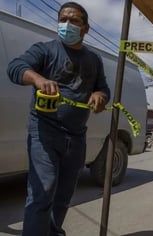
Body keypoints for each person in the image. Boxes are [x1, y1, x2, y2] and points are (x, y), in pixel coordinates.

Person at [6, 2, 110, 235]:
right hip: (44, 131)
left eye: (74, 21)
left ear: (86, 28)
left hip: (76, 136)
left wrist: (99, 95)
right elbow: (15, 67)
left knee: (63, 196)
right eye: (63, 19)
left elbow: (103, 89)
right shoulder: (44, 50)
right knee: (43, 191)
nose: (66, 25)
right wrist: (37, 79)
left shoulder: (94, 60)